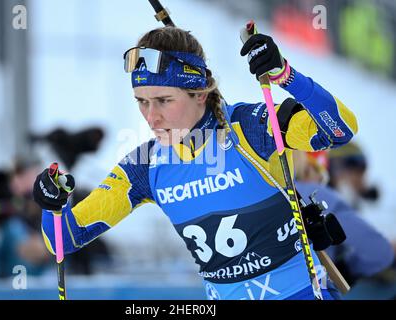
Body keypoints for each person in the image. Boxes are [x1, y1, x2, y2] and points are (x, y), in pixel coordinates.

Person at [33, 26, 358, 300]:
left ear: (200, 93)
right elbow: (65, 239)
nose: (151, 116)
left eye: (164, 100)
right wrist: (51, 203)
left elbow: (341, 129)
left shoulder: (252, 129)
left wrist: (285, 76)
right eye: (142, 102)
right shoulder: (146, 166)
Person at [293, 150, 394, 288]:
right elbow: (379, 252)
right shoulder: (316, 193)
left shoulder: (263, 198)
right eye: (322, 177)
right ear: (308, 169)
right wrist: (345, 270)